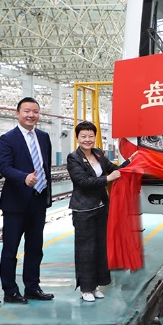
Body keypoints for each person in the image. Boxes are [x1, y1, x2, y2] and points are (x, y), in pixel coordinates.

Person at [66, 121, 135, 302]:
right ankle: (86, 289)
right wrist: (107, 179)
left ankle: (96, 285)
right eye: (83, 136)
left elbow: (115, 170)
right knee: (85, 249)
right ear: (77, 138)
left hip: (101, 208)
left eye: (90, 136)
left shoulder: (98, 154)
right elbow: (83, 181)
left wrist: (131, 160)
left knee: (100, 247)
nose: (87, 139)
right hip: (84, 210)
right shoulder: (73, 158)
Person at [0, 97, 54, 303]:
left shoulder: (44, 137)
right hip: (16, 203)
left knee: (35, 248)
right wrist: (24, 178)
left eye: (35, 112)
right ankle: (10, 291)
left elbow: (45, 166)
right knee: (10, 249)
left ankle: (32, 287)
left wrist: (46, 191)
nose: (31, 115)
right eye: (27, 111)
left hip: (38, 200)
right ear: (17, 113)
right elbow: (4, 167)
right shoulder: (7, 139)